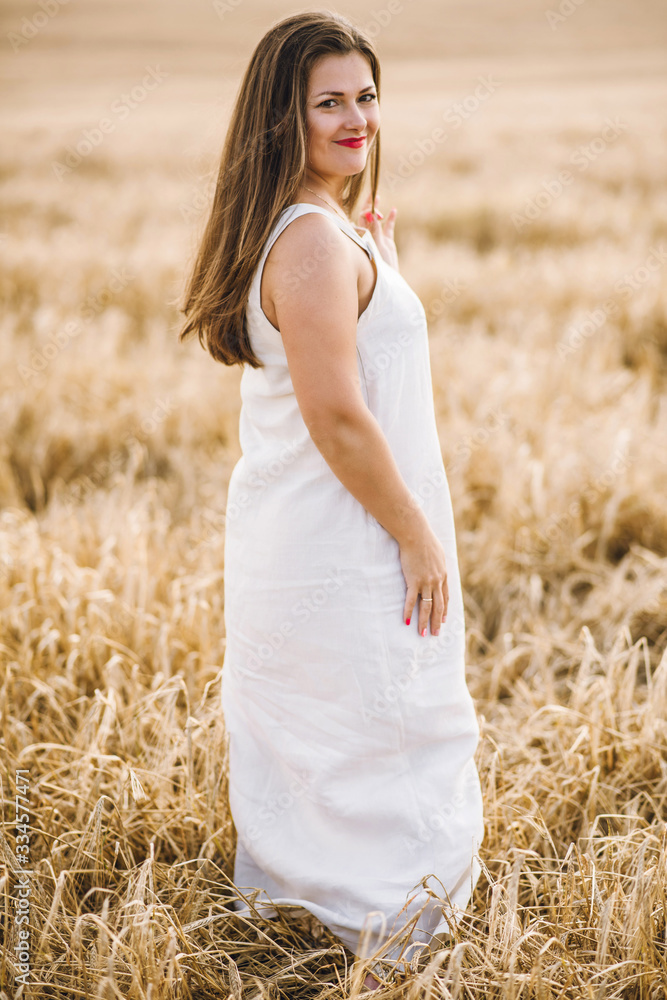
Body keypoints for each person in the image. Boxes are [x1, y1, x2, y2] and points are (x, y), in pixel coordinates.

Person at [178, 9, 484, 992]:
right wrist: (419, 536)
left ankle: (320, 919)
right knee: (370, 719)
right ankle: (371, 931)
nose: (358, 118)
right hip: (345, 538)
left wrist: (376, 257)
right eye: (330, 102)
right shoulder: (310, 243)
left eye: (366, 95)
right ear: (283, 118)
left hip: (311, 535)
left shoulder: (321, 232)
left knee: (353, 722)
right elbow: (341, 419)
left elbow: (349, 338)